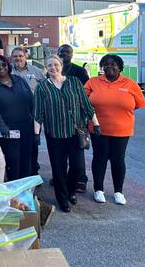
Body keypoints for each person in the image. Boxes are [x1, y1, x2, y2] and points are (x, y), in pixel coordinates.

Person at [34, 55, 99, 213]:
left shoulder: (74, 82)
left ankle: (71, 190)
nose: (53, 67)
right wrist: (37, 133)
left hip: (75, 131)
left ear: (61, 66)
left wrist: (95, 123)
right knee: (58, 168)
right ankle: (62, 199)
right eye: (49, 65)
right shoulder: (42, 87)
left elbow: (86, 104)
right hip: (54, 134)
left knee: (77, 167)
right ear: (46, 68)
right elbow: (38, 112)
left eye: (56, 64)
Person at [84, 54, 145, 205]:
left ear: (120, 67)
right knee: (100, 158)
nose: (109, 67)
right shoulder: (93, 82)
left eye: (113, 64)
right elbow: (83, 102)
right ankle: (98, 189)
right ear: (102, 67)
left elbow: (139, 104)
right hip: (98, 128)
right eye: (106, 64)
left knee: (118, 160)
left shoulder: (130, 84)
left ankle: (119, 191)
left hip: (122, 130)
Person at [0, 55, 35, 181]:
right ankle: (13, 191)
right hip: (8, 129)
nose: (1, 67)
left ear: (8, 65)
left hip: (26, 126)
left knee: (27, 159)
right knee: (13, 161)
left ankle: (25, 191)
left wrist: (34, 120)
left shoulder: (19, 80)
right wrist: (1, 126)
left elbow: (31, 99)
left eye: (3, 64)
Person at [57, 44, 90, 192]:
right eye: (61, 52)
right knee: (61, 152)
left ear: (72, 54)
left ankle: (80, 180)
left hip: (76, 117)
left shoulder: (79, 71)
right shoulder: (54, 68)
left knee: (77, 150)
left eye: (67, 52)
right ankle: (61, 177)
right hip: (58, 117)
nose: (64, 54)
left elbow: (87, 93)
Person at [10, 47, 46, 176]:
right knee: (16, 144)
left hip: (33, 114)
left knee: (33, 144)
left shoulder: (36, 71)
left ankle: (33, 172)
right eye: (15, 56)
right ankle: (18, 173)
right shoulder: (7, 70)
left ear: (25, 57)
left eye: (20, 56)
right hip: (14, 114)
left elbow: (45, 87)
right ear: (11, 58)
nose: (18, 58)